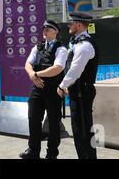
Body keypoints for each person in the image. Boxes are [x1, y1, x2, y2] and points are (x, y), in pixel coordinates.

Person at [19, 20, 68, 160]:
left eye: (48, 29)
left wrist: (36, 74)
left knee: (53, 123)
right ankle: (33, 151)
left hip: (53, 90)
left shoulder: (61, 49)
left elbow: (57, 68)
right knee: (33, 120)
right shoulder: (38, 47)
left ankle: (51, 154)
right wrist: (32, 75)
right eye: (43, 29)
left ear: (56, 31)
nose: (44, 31)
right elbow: (28, 63)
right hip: (37, 88)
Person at [57, 12, 99, 159]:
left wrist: (62, 85)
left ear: (79, 25)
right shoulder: (77, 42)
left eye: (72, 23)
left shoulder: (84, 45)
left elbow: (75, 70)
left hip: (82, 91)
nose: (69, 25)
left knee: (83, 130)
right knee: (80, 129)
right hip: (78, 90)